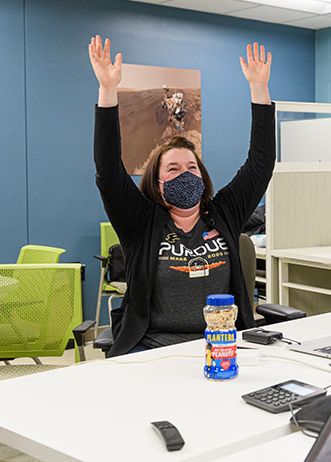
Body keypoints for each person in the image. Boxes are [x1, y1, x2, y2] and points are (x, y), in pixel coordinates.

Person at [88, 35, 275, 357]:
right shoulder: (140, 222)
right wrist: (108, 91)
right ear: (157, 182)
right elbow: (107, 168)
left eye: (192, 167)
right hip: (151, 347)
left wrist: (259, 90)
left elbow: (261, 164)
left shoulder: (224, 214)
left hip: (222, 344)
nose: (186, 174)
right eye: (173, 169)